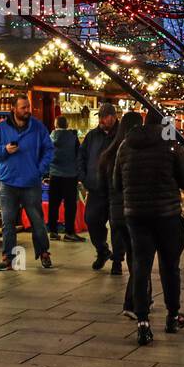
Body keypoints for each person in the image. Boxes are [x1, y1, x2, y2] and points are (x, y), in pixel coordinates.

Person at [113, 108, 184, 345]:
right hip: (167, 215)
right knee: (170, 266)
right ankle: (172, 315)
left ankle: (143, 322)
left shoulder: (125, 146)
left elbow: (117, 185)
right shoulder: (171, 146)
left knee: (140, 267)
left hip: (137, 217)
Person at [0, 94, 54, 270]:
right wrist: (5, 149)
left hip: (31, 182)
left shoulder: (38, 127)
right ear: (13, 109)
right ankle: (8, 257)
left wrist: (40, 169)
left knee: (37, 221)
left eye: (28, 107)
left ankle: (44, 252)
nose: (27, 110)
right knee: (8, 221)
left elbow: (49, 149)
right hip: (8, 183)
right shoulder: (1, 129)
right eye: (23, 107)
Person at [100, 111, 144, 312]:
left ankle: (140, 300)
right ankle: (134, 303)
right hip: (133, 211)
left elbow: (109, 185)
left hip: (116, 212)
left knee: (134, 256)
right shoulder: (132, 150)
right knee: (139, 259)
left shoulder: (110, 153)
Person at [78, 104, 119, 269]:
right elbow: (81, 156)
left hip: (116, 189)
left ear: (113, 116)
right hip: (95, 187)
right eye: (100, 117)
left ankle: (117, 260)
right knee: (92, 219)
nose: (101, 121)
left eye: (104, 117)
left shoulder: (121, 135)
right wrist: (84, 177)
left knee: (117, 225)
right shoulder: (92, 136)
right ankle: (102, 250)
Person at [46, 116, 84, 243]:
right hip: (70, 175)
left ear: (55, 125)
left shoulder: (49, 138)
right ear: (67, 125)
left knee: (54, 204)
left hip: (54, 175)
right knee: (70, 205)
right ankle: (69, 232)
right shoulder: (73, 138)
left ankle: (53, 231)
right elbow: (78, 156)